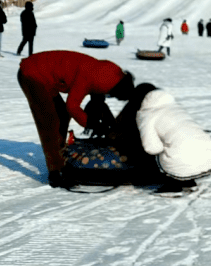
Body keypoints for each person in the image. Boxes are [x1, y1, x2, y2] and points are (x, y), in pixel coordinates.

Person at [17, 50, 136, 187]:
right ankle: (55, 173)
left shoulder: (113, 72)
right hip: (33, 74)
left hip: (46, 73)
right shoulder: (90, 79)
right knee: (49, 122)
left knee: (61, 115)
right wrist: (90, 123)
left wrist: (111, 126)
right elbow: (72, 106)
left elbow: (99, 102)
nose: (110, 96)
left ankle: (59, 153)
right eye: (112, 95)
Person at [135, 86, 211, 193]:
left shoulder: (147, 114)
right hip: (210, 158)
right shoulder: (174, 107)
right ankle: (189, 182)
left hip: (184, 162)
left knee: (162, 152)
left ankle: (173, 187)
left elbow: (152, 148)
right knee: (180, 144)